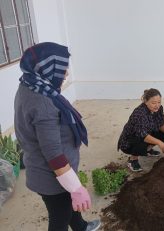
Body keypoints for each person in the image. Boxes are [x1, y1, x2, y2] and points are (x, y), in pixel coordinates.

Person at [14, 42, 100, 231]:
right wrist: (76, 188)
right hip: (53, 178)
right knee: (60, 217)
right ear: (47, 69)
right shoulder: (43, 103)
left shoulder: (30, 84)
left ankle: (81, 227)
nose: (67, 73)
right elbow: (53, 154)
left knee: (70, 203)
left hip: (50, 172)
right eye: (62, 68)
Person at [117, 88, 164, 172]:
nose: (157, 105)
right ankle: (132, 159)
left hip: (147, 131)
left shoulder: (159, 108)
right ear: (145, 101)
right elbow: (142, 135)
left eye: (159, 102)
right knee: (140, 139)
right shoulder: (140, 113)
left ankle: (147, 150)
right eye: (153, 103)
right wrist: (159, 143)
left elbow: (161, 123)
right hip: (129, 141)